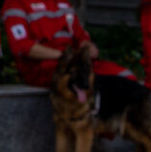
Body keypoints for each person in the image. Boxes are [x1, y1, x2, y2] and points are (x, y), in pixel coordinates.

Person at [1, 0, 134, 87]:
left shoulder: (62, 3)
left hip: (76, 62)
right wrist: (64, 56)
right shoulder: (16, 3)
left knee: (126, 77)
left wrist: (88, 46)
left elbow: (80, 36)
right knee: (91, 83)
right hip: (43, 68)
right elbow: (22, 47)